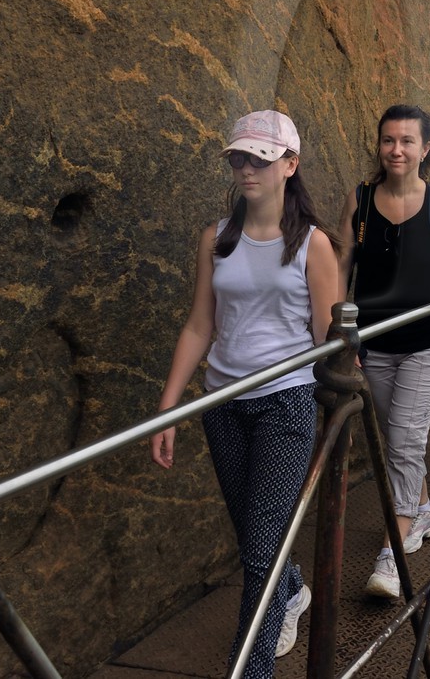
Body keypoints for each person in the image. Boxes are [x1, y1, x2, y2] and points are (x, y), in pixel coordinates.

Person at [151, 110, 339, 676]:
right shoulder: (217, 237)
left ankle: (250, 670)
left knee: (259, 555)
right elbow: (198, 326)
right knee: (256, 537)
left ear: (290, 165)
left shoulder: (313, 244)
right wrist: (167, 410)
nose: (246, 168)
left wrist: (339, 405)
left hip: (285, 402)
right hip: (222, 404)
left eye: (260, 158)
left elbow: (328, 337)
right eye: (239, 157)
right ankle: (294, 588)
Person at [338, 104, 430, 599]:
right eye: (388, 140)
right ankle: (423, 509)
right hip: (375, 343)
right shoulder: (359, 200)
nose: (396, 150)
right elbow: (342, 267)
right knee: (398, 437)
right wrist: (340, 330)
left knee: (402, 441)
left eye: (406, 141)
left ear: (426, 149)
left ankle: (390, 558)